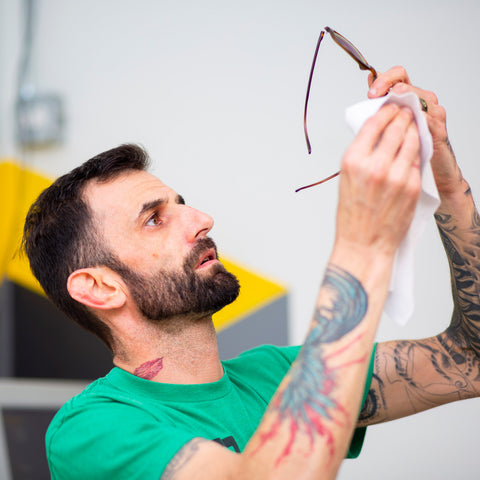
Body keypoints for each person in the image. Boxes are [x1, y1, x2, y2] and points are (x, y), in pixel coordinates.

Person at [22, 66, 480, 480]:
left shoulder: (274, 375)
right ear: (100, 287)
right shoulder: (91, 429)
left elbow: (470, 360)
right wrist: (364, 244)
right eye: (154, 219)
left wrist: (444, 174)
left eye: (182, 204)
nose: (201, 219)